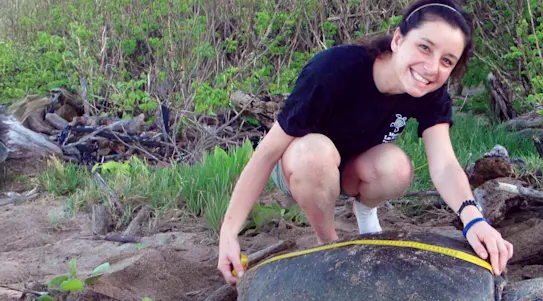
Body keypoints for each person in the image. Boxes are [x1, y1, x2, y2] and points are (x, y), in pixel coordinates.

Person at [217, 0, 513, 285]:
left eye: (447, 60)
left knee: (396, 167)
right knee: (314, 155)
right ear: (398, 39)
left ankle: (365, 212)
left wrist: (474, 220)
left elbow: (445, 164)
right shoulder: (333, 70)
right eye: (424, 47)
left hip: (354, 169)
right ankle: (330, 246)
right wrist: (229, 232)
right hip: (301, 165)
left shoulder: (430, 91)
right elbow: (267, 153)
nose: (431, 67)